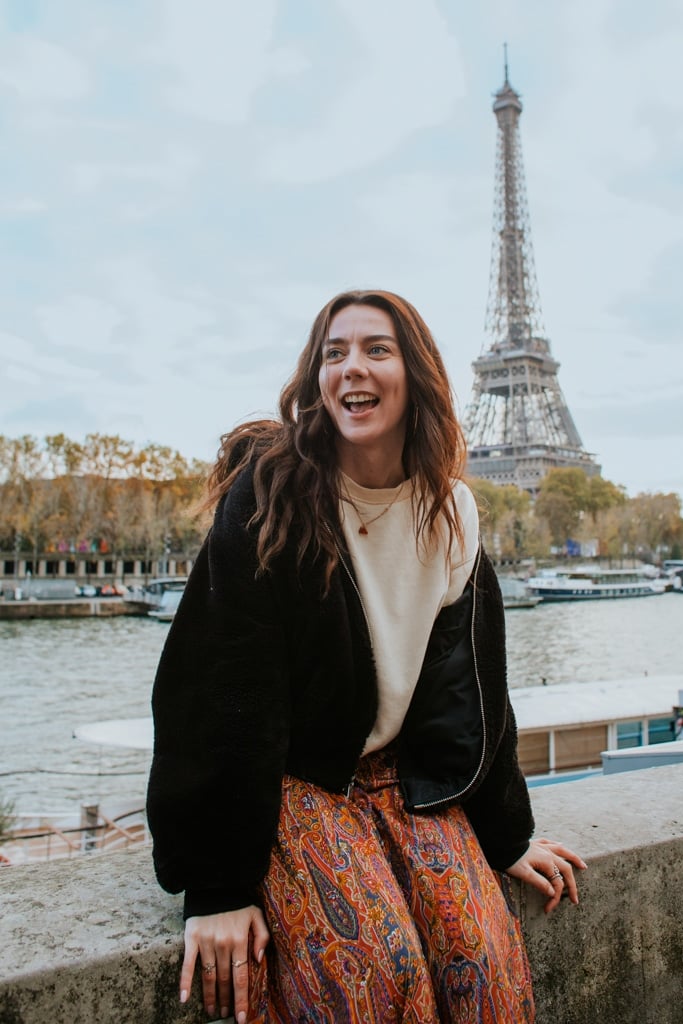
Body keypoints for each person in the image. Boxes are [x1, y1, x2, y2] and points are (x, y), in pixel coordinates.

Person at [146, 289, 586, 1024]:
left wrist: (508, 835)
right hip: (293, 777)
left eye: (376, 349)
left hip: (400, 773)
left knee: (485, 962)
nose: (353, 366)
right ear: (317, 380)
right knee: (377, 977)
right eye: (334, 352)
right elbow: (217, 687)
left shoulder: (451, 512)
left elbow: (471, 689)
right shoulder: (271, 494)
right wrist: (217, 888)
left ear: (415, 372)